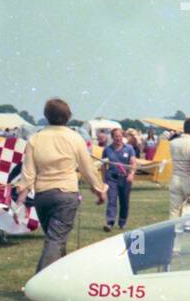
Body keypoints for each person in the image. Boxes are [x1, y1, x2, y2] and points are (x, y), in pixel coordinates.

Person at [16, 98, 107, 273]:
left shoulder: (35, 139)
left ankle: (60, 278)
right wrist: (100, 190)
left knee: (55, 239)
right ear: (68, 116)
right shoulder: (75, 138)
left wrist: (20, 200)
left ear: (46, 116)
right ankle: (41, 284)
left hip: (42, 196)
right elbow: (87, 169)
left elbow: (27, 174)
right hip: (66, 195)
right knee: (56, 240)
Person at [167, 118, 190, 220]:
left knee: (174, 210)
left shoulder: (173, 143)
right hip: (188, 180)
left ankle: (173, 232)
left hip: (175, 178)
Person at [102, 127, 136, 231]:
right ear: (112, 137)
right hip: (112, 178)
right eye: (116, 136)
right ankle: (110, 222)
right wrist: (103, 180)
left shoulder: (129, 148)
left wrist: (131, 174)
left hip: (125, 179)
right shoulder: (107, 149)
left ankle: (122, 222)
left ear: (123, 136)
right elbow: (103, 166)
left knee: (124, 201)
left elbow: (133, 163)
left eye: (120, 136)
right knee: (112, 200)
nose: (118, 138)